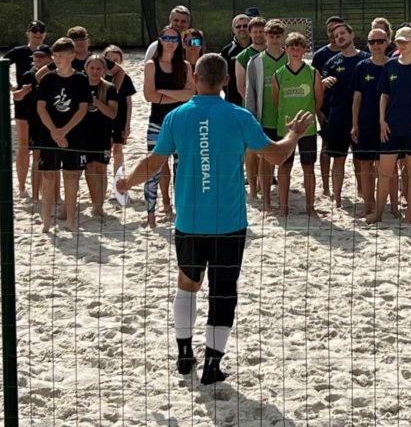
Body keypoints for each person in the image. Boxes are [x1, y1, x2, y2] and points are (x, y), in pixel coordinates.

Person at [117, 53, 313, 385]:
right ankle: (212, 364)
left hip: (190, 220)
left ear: (193, 76)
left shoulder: (177, 116)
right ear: (225, 81)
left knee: (187, 286)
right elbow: (278, 156)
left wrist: (128, 182)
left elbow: (153, 162)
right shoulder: (239, 116)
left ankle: (183, 354)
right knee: (223, 293)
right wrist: (293, 135)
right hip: (228, 222)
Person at [366, 26, 411, 226]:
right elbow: (384, 96)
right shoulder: (390, 66)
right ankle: (378, 213)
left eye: (406, 41)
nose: (402, 45)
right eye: (399, 41)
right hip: (391, 127)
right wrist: (382, 120)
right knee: (385, 172)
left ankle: (410, 216)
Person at [35, 37, 92, 233]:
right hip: (49, 133)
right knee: (49, 176)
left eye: (60, 55)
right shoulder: (48, 78)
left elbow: (82, 109)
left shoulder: (80, 79)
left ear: (71, 56)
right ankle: (46, 221)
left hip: (74, 134)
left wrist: (64, 131)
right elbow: (41, 107)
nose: (56, 58)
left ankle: (70, 220)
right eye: (55, 55)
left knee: (71, 176)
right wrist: (54, 131)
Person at [143, 26, 196, 226]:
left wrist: (162, 92)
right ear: (160, 40)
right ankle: (151, 214)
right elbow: (149, 96)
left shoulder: (185, 66)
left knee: (180, 169)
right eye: (166, 38)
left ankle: (181, 212)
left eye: (174, 38)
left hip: (181, 124)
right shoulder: (151, 65)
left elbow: (190, 95)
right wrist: (177, 94)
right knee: (153, 167)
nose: (170, 41)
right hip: (158, 123)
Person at [271, 32, 323, 216]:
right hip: (285, 129)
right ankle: (283, 208)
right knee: (284, 167)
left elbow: (318, 101)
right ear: (286, 49)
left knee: (308, 167)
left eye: (298, 47)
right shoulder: (279, 74)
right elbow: (277, 102)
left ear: (304, 50)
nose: (295, 50)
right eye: (291, 47)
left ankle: (310, 207)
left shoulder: (313, 73)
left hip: (307, 129)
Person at [320, 22, 369, 208]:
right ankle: (337, 199)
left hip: (363, 117)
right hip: (338, 116)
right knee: (338, 158)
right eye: (336, 35)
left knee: (362, 159)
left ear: (352, 34)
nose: (339, 37)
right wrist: (323, 83)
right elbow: (319, 90)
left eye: (343, 33)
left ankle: (364, 194)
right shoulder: (332, 62)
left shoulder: (366, 59)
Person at [351, 28, 398, 219]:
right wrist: (354, 124)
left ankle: (394, 207)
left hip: (390, 124)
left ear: (387, 42)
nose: (376, 45)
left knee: (390, 168)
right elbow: (356, 98)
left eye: (380, 41)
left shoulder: (395, 65)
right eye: (372, 42)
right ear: (368, 45)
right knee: (365, 165)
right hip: (366, 122)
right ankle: (368, 206)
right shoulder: (362, 67)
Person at [245, 20, 288, 200]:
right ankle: (263, 192)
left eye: (278, 36)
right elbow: (250, 92)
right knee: (264, 157)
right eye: (271, 36)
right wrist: (251, 117)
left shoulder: (290, 57)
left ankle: (282, 194)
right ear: (266, 36)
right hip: (265, 116)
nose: (275, 39)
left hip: (285, 118)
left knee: (285, 158)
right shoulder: (255, 62)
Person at [4, 20, 48, 193]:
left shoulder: (48, 51)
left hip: (43, 103)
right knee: (23, 146)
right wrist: (11, 87)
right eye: (34, 30)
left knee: (39, 148)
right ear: (28, 32)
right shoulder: (18, 52)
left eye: (41, 30)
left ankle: (37, 189)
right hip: (23, 101)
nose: (38, 33)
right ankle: (22, 187)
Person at [13, 45, 52, 201]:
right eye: (36, 57)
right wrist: (20, 92)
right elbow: (16, 96)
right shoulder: (29, 75)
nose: (38, 59)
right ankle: (22, 187)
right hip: (25, 114)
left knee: (38, 154)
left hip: (40, 116)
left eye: (42, 57)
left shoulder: (54, 74)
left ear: (50, 59)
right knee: (24, 149)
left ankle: (38, 190)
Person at [81, 54, 118, 220]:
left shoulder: (109, 88)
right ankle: (94, 202)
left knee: (101, 169)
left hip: (103, 133)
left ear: (104, 70)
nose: (95, 71)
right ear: (86, 68)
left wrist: (96, 103)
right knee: (89, 169)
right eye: (92, 68)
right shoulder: (78, 85)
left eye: (98, 68)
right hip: (83, 134)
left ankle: (99, 206)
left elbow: (112, 113)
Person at [312, 16, 345, 195]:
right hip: (326, 108)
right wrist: (318, 111)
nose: (334, 34)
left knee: (348, 152)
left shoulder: (354, 54)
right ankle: (325, 187)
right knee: (325, 146)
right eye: (330, 30)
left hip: (346, 108)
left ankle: (360, 188)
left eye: (337, 30)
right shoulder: (320, 55)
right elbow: (314, 85)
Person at [235, 16, 267, 197]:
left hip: (271, 107)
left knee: (267, 149)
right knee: (251, 150)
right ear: (250, 33)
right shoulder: (243, 56)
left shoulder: (278, 52)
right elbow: (242, 87)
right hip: (251, 108)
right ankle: (254, 188)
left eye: (261, 31)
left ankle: (265, 184)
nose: (258, 35)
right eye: (255, 32)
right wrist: (253, 108)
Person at [103, 45, 135, 173]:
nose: (113, 63)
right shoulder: (100, 78)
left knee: (118, 149)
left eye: (116, 60)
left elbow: (129, 103)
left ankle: (118, 182)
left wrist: (127, 125)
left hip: (119, 118)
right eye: (110, 60)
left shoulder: (125, 78)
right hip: (104, 119)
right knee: (105, 151)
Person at [219, 13, 251, 105]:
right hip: (233, 100)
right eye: (238, 26)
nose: (242, 29)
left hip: (255, 98)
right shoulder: (226, 51)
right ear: (233, 30)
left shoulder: (258, 48)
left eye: (245, 26)